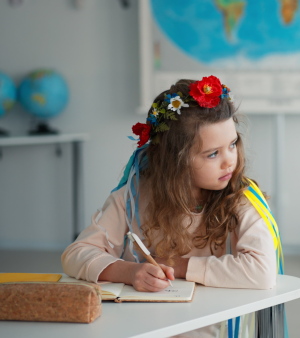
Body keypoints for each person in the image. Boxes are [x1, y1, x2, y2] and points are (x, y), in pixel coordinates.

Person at [62, 76, 285, 338]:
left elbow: (262, 272)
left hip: (206, 328)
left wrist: (176, 265)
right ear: (174, 161)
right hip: (140, 326)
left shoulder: (240, 198)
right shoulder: (133, 197)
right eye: (212, 153)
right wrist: (131, 272)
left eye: (233, 144)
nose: (229, 162)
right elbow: (76, 254)